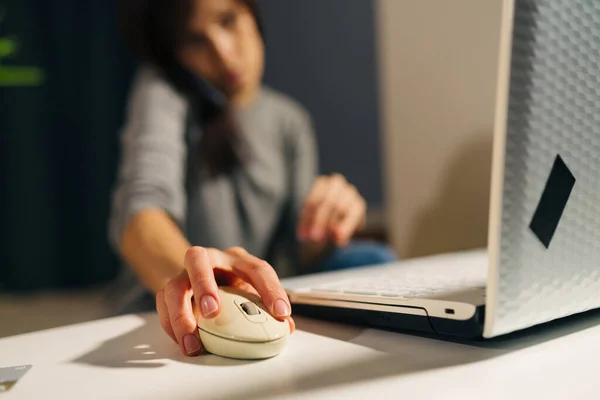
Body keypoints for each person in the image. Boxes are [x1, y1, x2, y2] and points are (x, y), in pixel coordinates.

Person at [109, 0, 396, 357]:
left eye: (228, 20)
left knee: (375, 258)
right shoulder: (162, 93)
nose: (224, 52)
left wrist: (331, 217)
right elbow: (141, 218)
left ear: (253, 14)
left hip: (253, 306)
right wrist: (206, 287)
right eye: (195, 40)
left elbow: (301, 249)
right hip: (171, 318)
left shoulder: (289, 121)